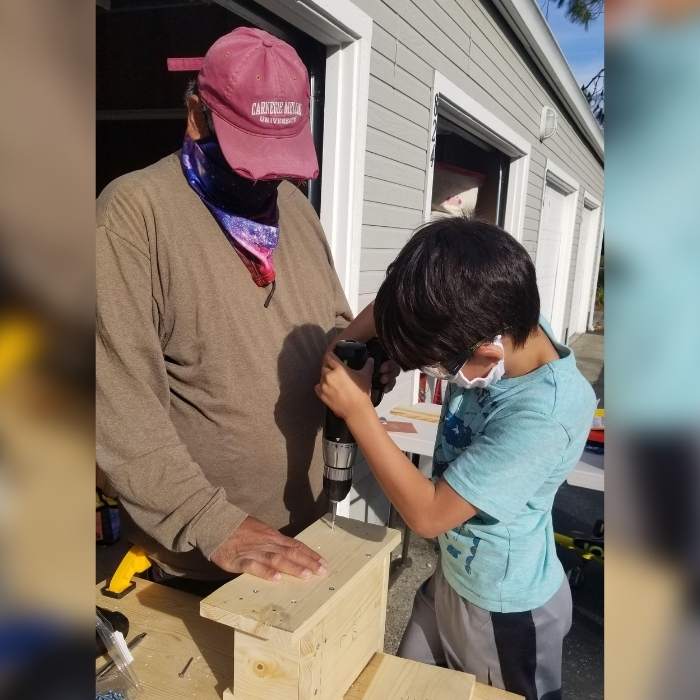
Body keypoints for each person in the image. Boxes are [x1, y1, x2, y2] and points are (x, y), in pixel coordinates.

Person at [96, 27, 398, 590]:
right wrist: (214, 523)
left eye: (276, 161)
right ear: (196, 116)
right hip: (204, 560)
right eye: (248, 158)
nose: (266, 181)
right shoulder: (133, 217)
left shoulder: (294, 209)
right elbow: (118, 407)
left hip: (306, 537)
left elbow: (329, 321)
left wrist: (366, 362)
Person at [316, 216, 596, 700]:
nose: (436, 375)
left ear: (490, 347)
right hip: (454, 578)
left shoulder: (545, 413)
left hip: (505, 610)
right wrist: (351, 348)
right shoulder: (500, 310)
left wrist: (358, 412)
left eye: (439, 366)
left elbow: (427, 515)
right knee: (400, 688)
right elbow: (391, 310)